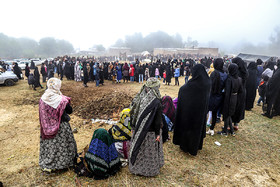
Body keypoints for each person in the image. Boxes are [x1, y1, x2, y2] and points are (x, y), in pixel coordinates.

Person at [39, 78, 77, 172]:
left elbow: (42, 114)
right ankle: (64, 164)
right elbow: (70, 111)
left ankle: (49, 163)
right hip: (61, 127)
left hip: (47, 128)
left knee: (51, 146)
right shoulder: (62, 100)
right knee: (63, 145)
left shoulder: (43, 98)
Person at [129, 78, 164, 177]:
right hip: (151, 133)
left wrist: (133, 126)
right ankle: (149, 170)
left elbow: (133, 111)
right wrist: (158, 133)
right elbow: (157, 121)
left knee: (139, 150)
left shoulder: (141, 96)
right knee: (149, 153)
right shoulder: (156, 102)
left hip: (139, 129)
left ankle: (136, 168)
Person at [173, 64, 211, 156]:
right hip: (201, 112)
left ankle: (186, 147)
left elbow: (183, 90)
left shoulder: (191, 85)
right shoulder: (207, 82)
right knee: (196, 130)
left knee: (188, 128)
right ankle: (195, 147)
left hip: (189, 112)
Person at [218, 64, 243, 136]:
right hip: (235, 98)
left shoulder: (229, 79)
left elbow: (227, 92)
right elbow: (241, 90)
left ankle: (226, 131)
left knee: (226, 114)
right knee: (229, 114)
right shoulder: (239, 79)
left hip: (228, 98)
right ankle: (231, 131)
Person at [206, 58, 227, 136]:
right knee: (214, 113)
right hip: (220, 96)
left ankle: (202, 127)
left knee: (206, 111)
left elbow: (210, 85)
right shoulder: (225, 74)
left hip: (212, 95)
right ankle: (211, 129)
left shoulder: (214, 73)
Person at [232, 57, 248, 130]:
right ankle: (236, 124)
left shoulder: (237, 72)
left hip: (236, 91)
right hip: (243, 91)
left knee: (234, 107)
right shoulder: (245, 71)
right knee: (239, 108)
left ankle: (230, 124)